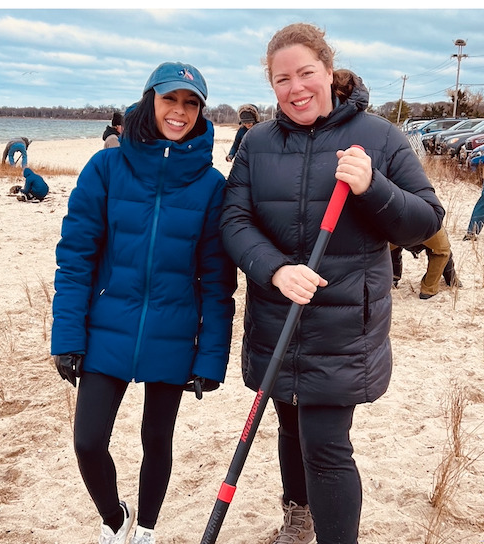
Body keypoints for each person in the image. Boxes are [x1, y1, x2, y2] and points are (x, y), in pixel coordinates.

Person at [220, 23, 444, 544]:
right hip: (277, 317)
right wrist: (274, 268)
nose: (296, 88)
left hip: (342, 326)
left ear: (328, 70)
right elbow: (234, 221)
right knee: (290, 428)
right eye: (282, 79)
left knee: (324, 446)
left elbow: (426, 221)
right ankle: (298, 518)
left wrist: (373, 187)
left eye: (306, 73)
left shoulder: (380, 137)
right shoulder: (257, 143)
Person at [51, 61, 236, 544]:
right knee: (88, 442)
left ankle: (146, 531)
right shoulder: (107, 167)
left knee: (157, 441)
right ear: (149, 100)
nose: (179, 112)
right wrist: (67, 336)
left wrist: (211, 356)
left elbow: (218, 281)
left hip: (173, 335)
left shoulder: (211, 186)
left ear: (200, 111)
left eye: (190, 103)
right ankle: (114, 520)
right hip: (105, 327)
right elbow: (76, 258)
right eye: (170, 100)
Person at [390, 225, 460, 299]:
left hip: (398, 230)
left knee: (387, 248)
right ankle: (431, 288)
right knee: (442, 251)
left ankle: (392, 278)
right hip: (427, 226)